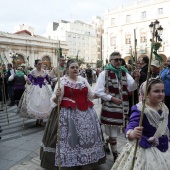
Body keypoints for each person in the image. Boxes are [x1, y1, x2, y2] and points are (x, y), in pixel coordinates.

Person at [40, 59, 105, 170]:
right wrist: (57, 95)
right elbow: (55, 101)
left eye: (76, 67)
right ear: (67, 69)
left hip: (86, 113)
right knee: (71, 138)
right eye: (72, 67)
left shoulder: (83, 80)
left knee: (86, 138)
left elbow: (91, 95)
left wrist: (101, 94)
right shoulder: (63, 81)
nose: (75, 69)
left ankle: (87, 160)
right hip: (68, 114)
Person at [111, 77, 170, 170]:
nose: (161, 94)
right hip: (146, 148)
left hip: (165, 145)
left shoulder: (164, 107)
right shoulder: (140, 109)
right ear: (146, 94)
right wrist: (132, 133)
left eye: (163, 91)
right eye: (156, 91)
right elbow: (131, 125)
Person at [95, 52, 139, 161]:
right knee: (113, 132)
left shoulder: (124, 72)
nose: (119, 62)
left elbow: (132, 87)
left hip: (123, 107)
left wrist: (137, 79)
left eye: (120, 59)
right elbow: (99, 91)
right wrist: (112, 98)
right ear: (110, 61)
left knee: (115, 131)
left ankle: (107, 143)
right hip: (110, 107)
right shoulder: (104, 73)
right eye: (116, 60)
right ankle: (115, 155)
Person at [18, 59, 52, 125]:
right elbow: (30, 81)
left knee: (43, 103)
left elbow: (48, 79)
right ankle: (37, 119)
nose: (40, 65)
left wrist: (50, 81)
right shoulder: (32, 72)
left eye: (41, 64)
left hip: (43, 89)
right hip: (35, 89)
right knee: (37, 103)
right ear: (35, 65)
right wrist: (28, 81)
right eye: (39, 64)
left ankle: (41, 119)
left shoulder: (44, 72)